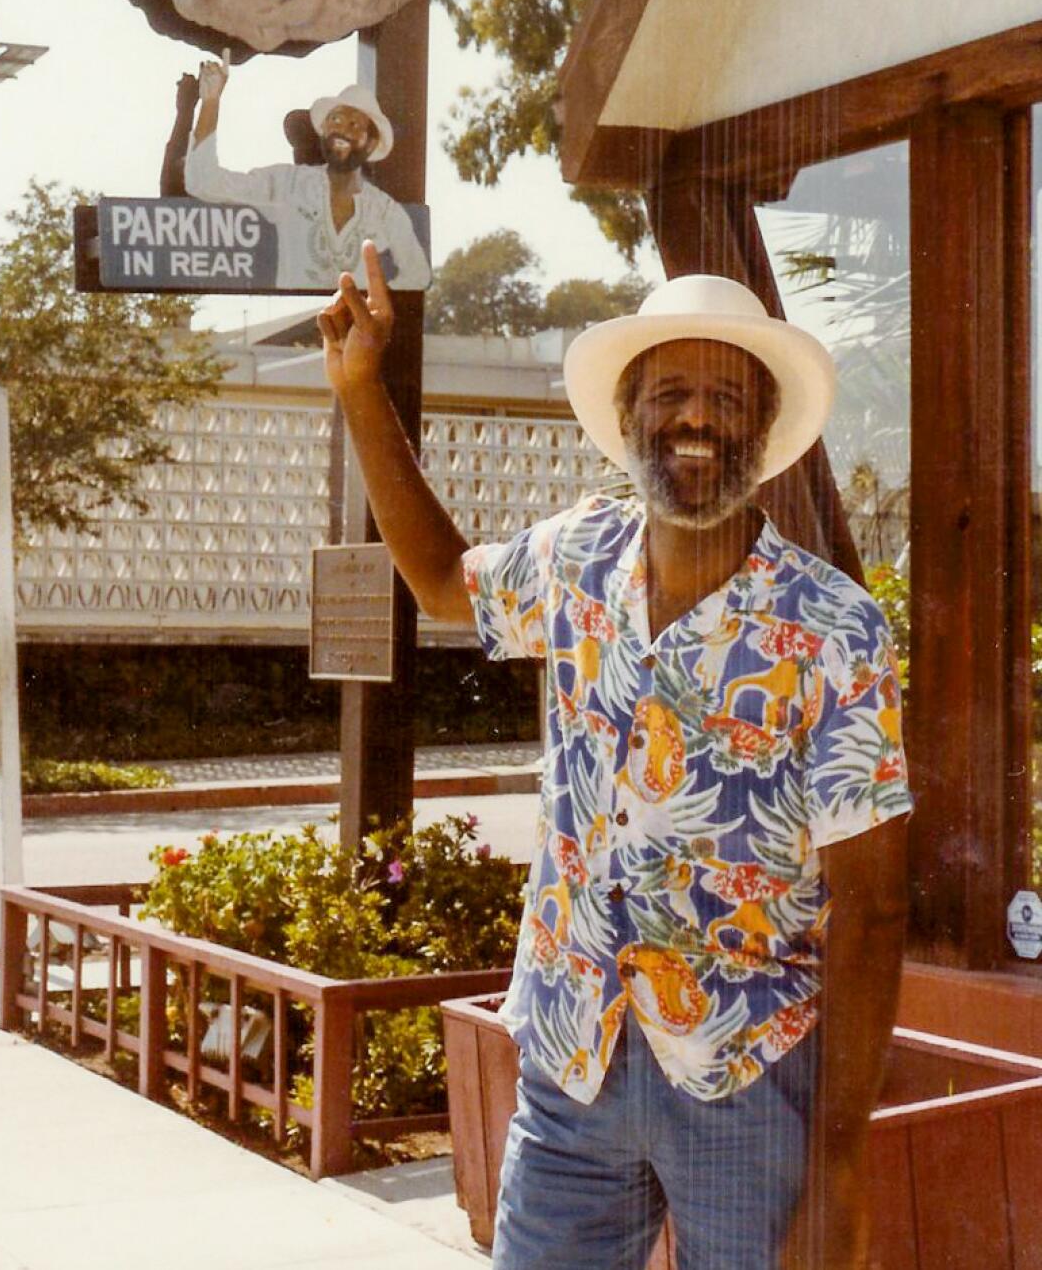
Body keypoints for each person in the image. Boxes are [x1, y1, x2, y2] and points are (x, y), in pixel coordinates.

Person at [318, 245, 912, 1270]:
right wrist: (361, 387)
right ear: (629, 419)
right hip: (572, 1061)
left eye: (725, 396)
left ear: (763, 430)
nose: (694, 417)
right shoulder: (574, 559)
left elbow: (874, 905)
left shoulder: (833, 628)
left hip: (745, 1078)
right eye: (670, 392)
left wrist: (841, 1165)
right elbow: (437, 582)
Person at [182, 53, 430, 289]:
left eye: (355, 125)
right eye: (336, 120)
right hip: (297, 328)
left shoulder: (384, 209)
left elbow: (418, 275)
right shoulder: (287, 185)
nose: (342, 129)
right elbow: (203, 182)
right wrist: (211, 101)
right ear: (323, 129)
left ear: (371, 143)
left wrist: (370, 307)